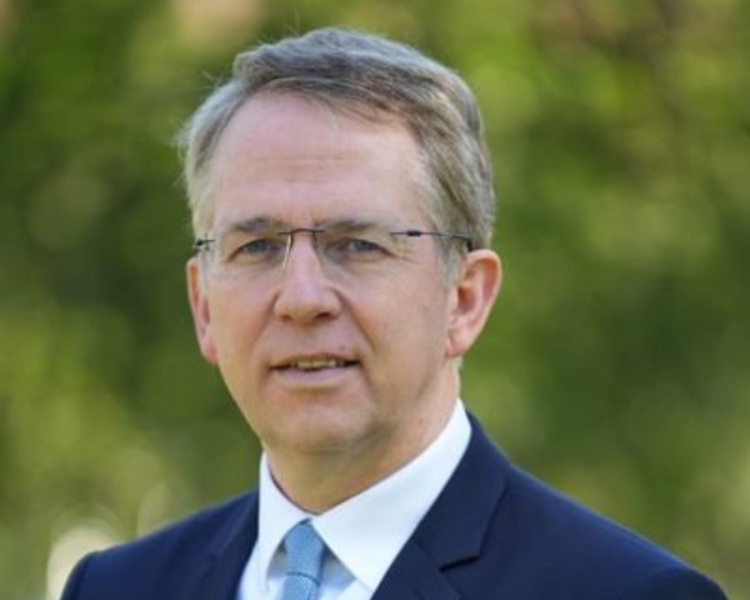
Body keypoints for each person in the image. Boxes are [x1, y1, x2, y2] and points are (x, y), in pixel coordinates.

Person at [60, 27, 727, 600]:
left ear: (464, 299)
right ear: (204, 306)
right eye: (257, 247)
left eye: (357, 245)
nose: (301, 298)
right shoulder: (116, 588)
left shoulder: (626, 592)